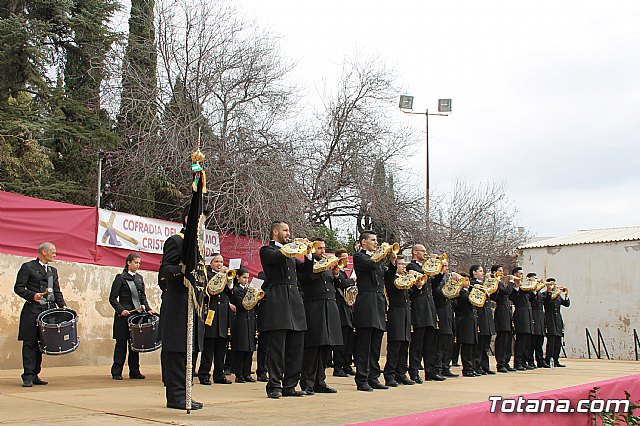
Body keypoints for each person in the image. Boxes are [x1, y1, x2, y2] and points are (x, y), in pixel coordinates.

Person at [158, 207, 203, 410]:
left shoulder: (196, 245)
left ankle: (186, 393)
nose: (202, 225)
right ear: (188, 219)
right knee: (177, 351)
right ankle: (176, 397)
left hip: (191, 303)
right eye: (200, 220)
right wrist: (183, 270)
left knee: (189, 351)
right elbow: (165, 270)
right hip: (177, 303)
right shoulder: (176, 241)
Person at [259, 221, 309, 399]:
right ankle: (274, 385)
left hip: (295, 300)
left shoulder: (292, 253)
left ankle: (290, 385)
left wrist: (308, 254)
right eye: (285, 230)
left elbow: (307, 272)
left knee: (296, 345)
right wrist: (296, 246)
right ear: (275, 232)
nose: (289, 233)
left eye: (289, 230)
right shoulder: (267, 250)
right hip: (278, 299)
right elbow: (278, 257)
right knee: (277, 347)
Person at [14, 242, 67, 387]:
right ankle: (28, 376)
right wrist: (32, 295)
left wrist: (63, 307)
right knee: (30, 342)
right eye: (53, 252)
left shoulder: (53, 271)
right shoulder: (28, 267)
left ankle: (36, 373)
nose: (55, 255)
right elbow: (18, 288)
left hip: (48, 311)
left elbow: (57, 291)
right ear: (44, 252)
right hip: (32, 310)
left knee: (41, 344)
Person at [298, 238, 345, 395]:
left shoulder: (328, 266)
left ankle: (320, 381)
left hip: (330, 306)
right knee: (313, 346)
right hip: (314, 307)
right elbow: (309, 277)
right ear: (312, 249)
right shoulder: (308, 265)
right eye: (319, 248)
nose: (323, 251)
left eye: (324, 248)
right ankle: (307, 382)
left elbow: (341, 284)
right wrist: (310, 257)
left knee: (326, 345)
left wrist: (337, 274)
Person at [353, 230, 396, 392]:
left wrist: (392, 263)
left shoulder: (376, 259)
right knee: (365, 342)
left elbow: (387, 277)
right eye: (372, 240)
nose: (376, 243)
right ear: (363, 242)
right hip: (366, 302)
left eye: (376, 241)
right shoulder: (360, 257)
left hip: (378, 302)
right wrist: (382, 253)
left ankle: (373, 376)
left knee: (376, 342)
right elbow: (371, 264)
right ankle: (362, 378)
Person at [108, 253, 155, 380]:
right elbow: (112, 298)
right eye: (136, 262)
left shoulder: (139, 278)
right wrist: (121, 310)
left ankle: (134, 371)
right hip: (123, 316)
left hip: (136, 315)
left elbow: (142, 297)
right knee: (121, 344)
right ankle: (116, 371)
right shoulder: (121, 278)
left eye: (139, 263)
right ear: (128, 262)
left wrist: (149, 309)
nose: (138, 265)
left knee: (135, 344)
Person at [407, 246, 444, 382]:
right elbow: (422, 276)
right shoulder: (412, 266)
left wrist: (440, 273)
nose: (425, 253)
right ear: (415, 252)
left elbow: (433, 285)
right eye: (422, 251)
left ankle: (431, 371)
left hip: (429, 307)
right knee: (418, 342)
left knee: (430, 342)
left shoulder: (424, 268)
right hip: (419, 307)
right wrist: (432, 264)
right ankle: (414, 371)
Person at [197, 254, 234, 385]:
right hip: (211, 312)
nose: (219, 264)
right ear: (210, 263)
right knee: (209, 346)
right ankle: (204, 373)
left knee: (221, 347)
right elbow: (210, 290)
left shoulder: (225, 276)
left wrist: (230, 283)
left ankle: (219, 374)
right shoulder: (207, 275)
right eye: (216, 262)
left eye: (221, 262)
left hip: (223, 314)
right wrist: (221, 277)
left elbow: (231, 295)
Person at [382, 255, 414, 387]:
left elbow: (411, 294)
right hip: (396, 312)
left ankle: (401, 373)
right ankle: (389, 374)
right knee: (395, 345)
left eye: (403, 264)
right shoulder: (391, 278)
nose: (403, 266)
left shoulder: (405, 280)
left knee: (405, 344)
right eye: (400, 264)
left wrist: (417, 284)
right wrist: (393, 263)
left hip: (406, 313)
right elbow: (390, 279)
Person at [229, 267, 257, 383]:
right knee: (241, 347)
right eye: (244, 277)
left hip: (250, 321)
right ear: (238, 278)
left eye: (247, 278)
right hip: (240, 321)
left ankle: (247, 373)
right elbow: (242, 305)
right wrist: (250, 294)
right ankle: (238, 373)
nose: (246, 280)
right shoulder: (236, 290)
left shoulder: (248, 289)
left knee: (249, 348)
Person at [332, 248, 356, 377]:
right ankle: (338, 367)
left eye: (347, 258)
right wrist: (353, 281)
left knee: (348, 339)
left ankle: (347, 365)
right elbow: (342, 284)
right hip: (339, 309)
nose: (346, 260)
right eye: (343, 258)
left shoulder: (343, 273)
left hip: (347, 308)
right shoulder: (336, 273)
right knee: (341, 341)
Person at [432, 263, 458, 378]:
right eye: (444, 266)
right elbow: (438, 293)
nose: (446, 268)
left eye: (447, 266)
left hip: (448, 313)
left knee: (449, 341)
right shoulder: (436, 280)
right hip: (441, 312)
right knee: (441, 342)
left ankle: (445, 366)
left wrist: (456, 286)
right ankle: (438, 368)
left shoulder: (445, 280)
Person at [454, 270, 478, 377]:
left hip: (471, 320)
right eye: (466, 280)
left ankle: (471, 367)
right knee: (467, 345)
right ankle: (467, 368)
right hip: (464, 321)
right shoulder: (461, 293)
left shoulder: (468, 291)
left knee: (472, 345)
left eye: (468, 280)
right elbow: (467, 300)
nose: (468, 282)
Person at [510, 270, 535, 371]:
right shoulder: (515, 287)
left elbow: (531, 298)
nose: (522, 276)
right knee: (521, 339)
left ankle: (524, 361)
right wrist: (516, 286)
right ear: (515, 274)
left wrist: (534, 288)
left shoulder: (524, 287)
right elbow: (513, 297)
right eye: (520, 274)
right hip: (521, 314)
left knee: (527, 339)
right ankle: (518, 362)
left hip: (528, 314)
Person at [544, 278, 570, 368]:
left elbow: (566, 304)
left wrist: (566, 294)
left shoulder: (558, 295)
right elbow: (547, 302)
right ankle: (548, 359)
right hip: (549, 318)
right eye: (551, 284)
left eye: (554, 284)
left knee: (558, 341)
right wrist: (550, 291)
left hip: (558, 319)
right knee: (551, 340)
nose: (554, 286)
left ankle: (556, 359)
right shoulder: (546, 294)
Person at [494, 267, 515, 373]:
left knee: (507, 338)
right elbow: (507, 291)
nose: (502, 273)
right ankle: (500, 362)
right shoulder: (495, 282)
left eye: (502, 271)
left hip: (507, 311)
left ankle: (506, 362)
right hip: (501, 311)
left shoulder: (500, 282)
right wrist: (511, 281)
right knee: (502, 338)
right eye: (499, 271)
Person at [530, 281, 548, 368]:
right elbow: (531, 299)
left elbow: (548, 300)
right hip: (534, 317)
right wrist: (535, 290)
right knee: (533, 341)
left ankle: (540, 360)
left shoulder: (541, 294)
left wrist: (549, 290)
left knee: (540, 341)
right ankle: (530, 360)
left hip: (541, 319)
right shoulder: (530, 292)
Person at [255, 271, 269, 382]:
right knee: (264, 344)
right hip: (265, 311)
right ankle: (261, 371)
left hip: (278, 312)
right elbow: (256, 290)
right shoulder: (263, 275)